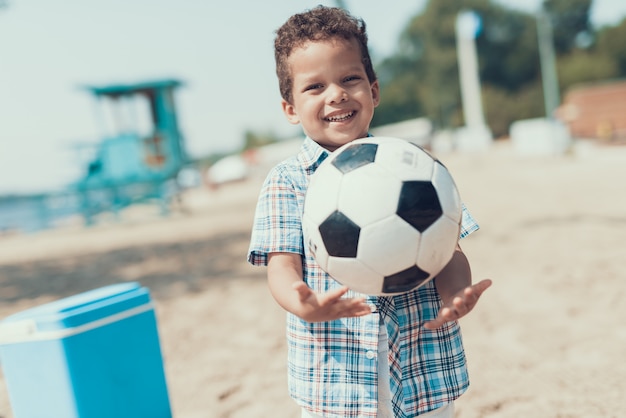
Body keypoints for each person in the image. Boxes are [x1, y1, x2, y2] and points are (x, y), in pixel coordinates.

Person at [247, 6, 492, 418]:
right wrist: (304, 302)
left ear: (374, 91)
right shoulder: (287, 181)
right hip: (336, 378)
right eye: (315, 87)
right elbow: (282, 266)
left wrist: (456, 295)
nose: (336, 95)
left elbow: (449, 250)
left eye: (349, 79)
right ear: (290, 108)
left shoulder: (417, 166)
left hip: (422, 367)